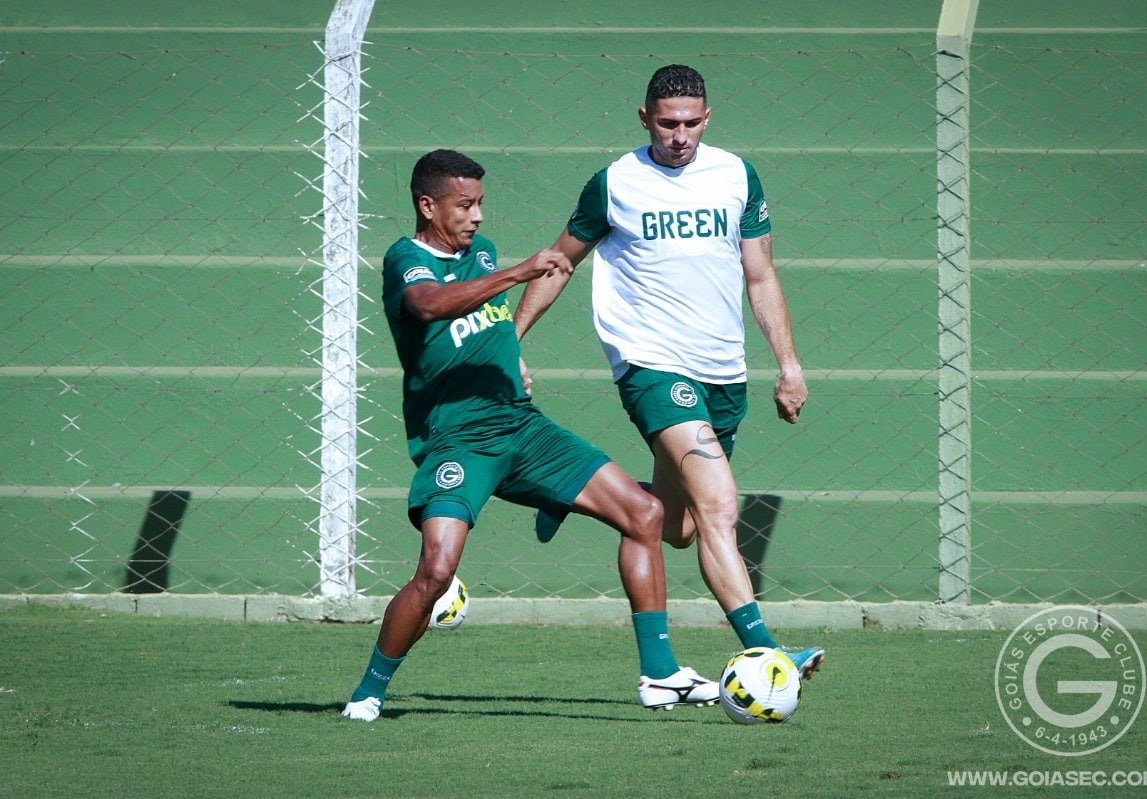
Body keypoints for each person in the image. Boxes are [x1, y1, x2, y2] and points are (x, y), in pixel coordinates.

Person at [341, 148, 718, 722]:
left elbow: (485, 326)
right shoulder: (406, 258)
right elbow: (428, 305)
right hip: (458, 440)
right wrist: (519, 272)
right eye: (464, 205)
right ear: (428, 206)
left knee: (645, 513)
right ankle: (369, 691)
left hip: (521, 424)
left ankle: (661, 674)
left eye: (480, 204)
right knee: (436, 572)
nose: (477, 217)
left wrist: (509, 355)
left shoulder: (481, 253)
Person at [514, 64, 824, 680]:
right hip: (652, 363)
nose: (679, 136)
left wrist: (789, 366)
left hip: (723, 370)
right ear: (644, 119)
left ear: (706, 118)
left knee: (679, 528)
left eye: (690, 123)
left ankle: (570, 491)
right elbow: (560, 262)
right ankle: (766, 651)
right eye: (666, 124)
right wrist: (510, 339)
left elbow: (760, 275)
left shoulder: (736, 175)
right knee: (720, 507)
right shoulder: (615, 183)